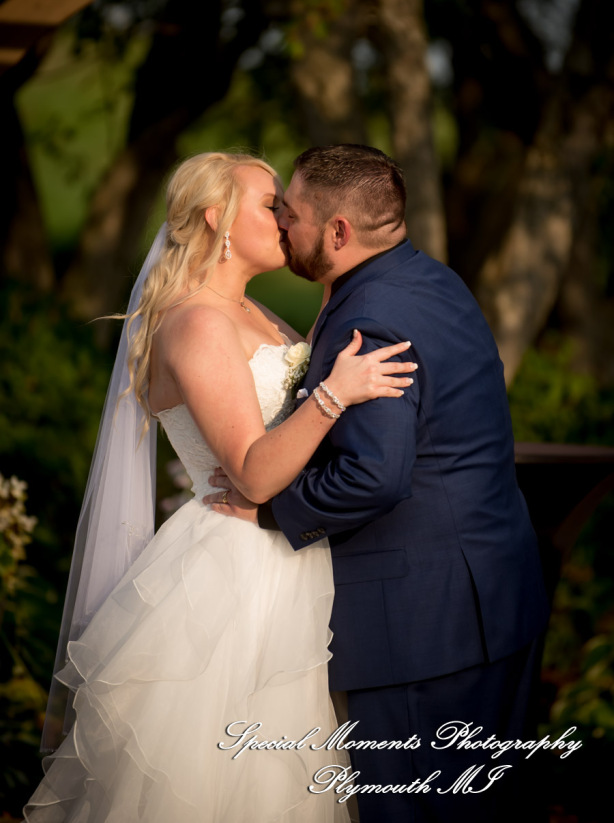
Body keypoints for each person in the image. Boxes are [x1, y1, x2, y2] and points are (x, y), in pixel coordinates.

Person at [24, 151, 416, 823]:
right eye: (270, 203)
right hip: (234, 575)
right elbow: (256, 471)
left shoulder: (257, 314)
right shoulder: (196, 321)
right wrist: (333, 393)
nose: (285, 216)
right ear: (218, 219)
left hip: (292, 556)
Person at [206, 144, 551, 823]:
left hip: (423, 630)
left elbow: (373, 474)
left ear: (338, 232)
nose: (282, 225)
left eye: (292, 213)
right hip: (496, 599)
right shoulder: (434, 281)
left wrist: (268, 507)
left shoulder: (373, 318)